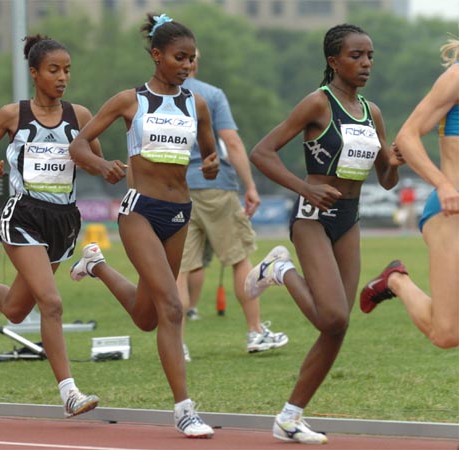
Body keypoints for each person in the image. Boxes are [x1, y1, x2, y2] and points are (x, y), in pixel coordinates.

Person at [244, 24, 402, 444]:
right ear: (334, 61)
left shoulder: (373, 112)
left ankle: (289, 418)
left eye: (370, 55)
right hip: (313, 214)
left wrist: (394, 160)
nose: (366, 63)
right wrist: (304, 186)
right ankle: (279, 269)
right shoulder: (317, 104)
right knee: (331, 316)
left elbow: (386, 180)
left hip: (348, 217)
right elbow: (261, 151)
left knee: (338, 326)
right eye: (356, 55)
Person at [67, 13, 219, 439]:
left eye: (191, 59)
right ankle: (185, 410)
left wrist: (211, 164)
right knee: (172, 307)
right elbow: (78, 144)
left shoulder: (197, 105)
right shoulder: (128, 101)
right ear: (156, 55)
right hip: (139, 211)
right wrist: (101, 164)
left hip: (179, 214)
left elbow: (209, 157)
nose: (187, 65)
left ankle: (95, 265)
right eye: (179, 57)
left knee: (147, 316)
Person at [0, 35, 110, 418]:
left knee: (15, 309)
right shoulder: (13, 114)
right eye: (54, 70)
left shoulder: (82, 116)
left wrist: (107, 169)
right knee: (52, 303)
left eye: (67, 70)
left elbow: (95, 160)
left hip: (63, 221)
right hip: (23, 215)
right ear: (34, 72)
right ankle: (69, 393)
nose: (62, 78)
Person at [175, 48, 288, 357]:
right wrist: (250, 185)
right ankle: (254, 333)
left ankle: (177, 343)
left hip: (174, 190)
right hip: (216, 188)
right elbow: (233, 143)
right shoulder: (211, 95)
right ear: (195, 61)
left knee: (179, 269)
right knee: (239, 259)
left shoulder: (154, 95)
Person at [360, 38, 459, 349]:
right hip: (451, 212)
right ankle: (396, 280)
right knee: (447, 334)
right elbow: (407, 137)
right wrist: (443, 184)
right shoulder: (456, 78)